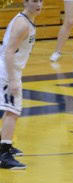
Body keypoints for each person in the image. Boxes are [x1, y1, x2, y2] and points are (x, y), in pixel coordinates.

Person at [0, 0, 43, 169]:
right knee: (13, 111)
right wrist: (12, 79)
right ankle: (4, 154)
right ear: (25, 2)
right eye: (34, 1)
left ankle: (4, 145)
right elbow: (9, 51)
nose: (38, 4)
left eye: (40, 0)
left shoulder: (27, 20)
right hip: (7, 71)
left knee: (11, 109)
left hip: (10, 69)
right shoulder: (22, 24)